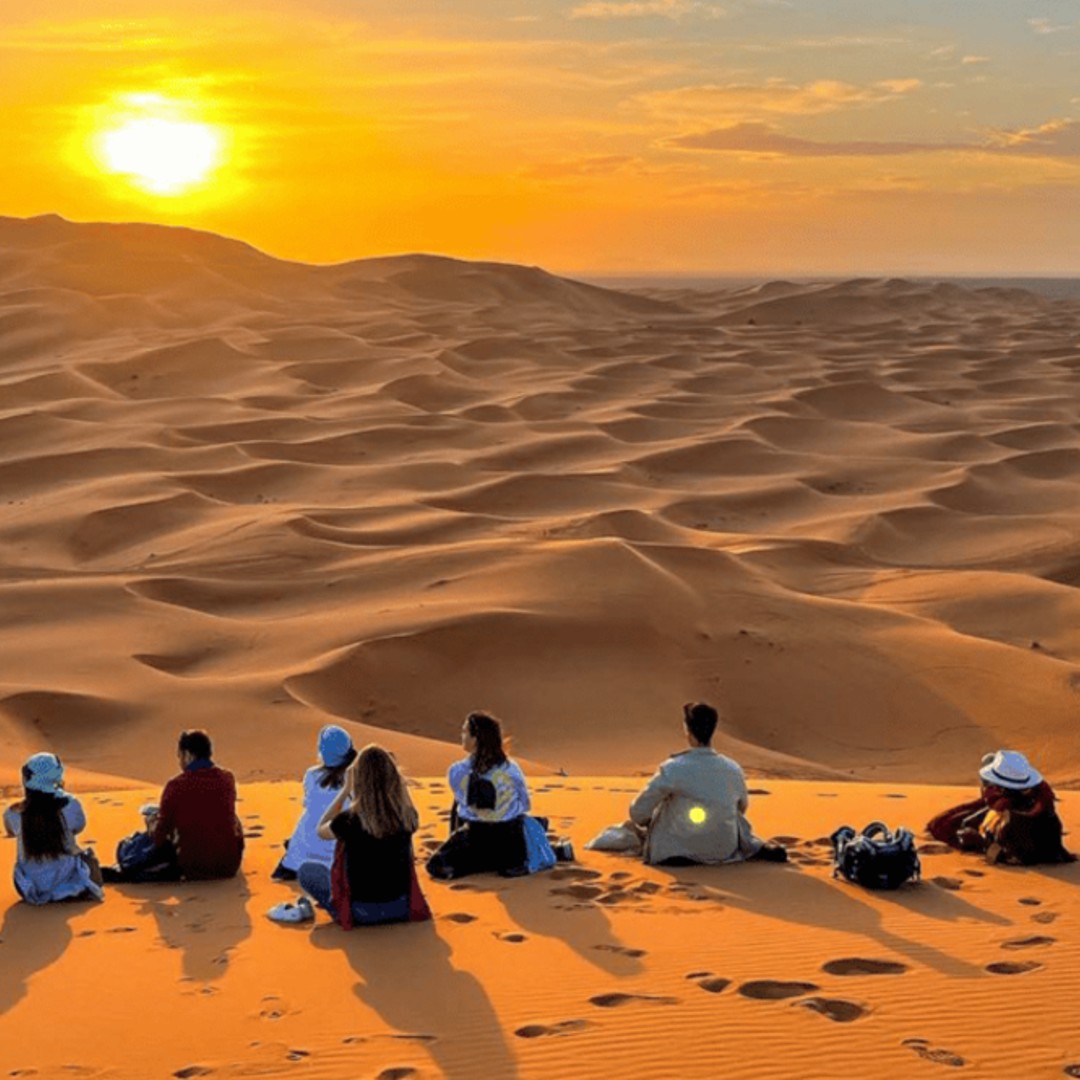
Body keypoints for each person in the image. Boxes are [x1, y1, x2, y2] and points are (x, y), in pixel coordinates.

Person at [285, 744, 428, 927]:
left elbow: (321, 829)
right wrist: (395, 778)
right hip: (401, 908)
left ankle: (338, 912)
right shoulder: (406, 818)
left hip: (361, 913)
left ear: (358, 780)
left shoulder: (349, 821)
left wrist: (345, 791)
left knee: (308, 871)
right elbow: (406, 805)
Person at [627, 702, 785, 866]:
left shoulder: (673, 767)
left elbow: (638, 812)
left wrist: (651, 822)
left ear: (687, 729)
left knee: (662, 808)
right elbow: (741, 808)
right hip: (724, 850)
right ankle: (756, 847)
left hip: (676, 852)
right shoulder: (732, 768)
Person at [426, 711, 558, 880]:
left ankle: (476, 862)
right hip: (512, 840)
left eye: (465, 732)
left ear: (475, 738)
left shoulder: (457, 771)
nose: (462, 736)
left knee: (437, 865)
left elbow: (462, 805)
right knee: (523, 828)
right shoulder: (511, 769)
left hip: (476, 836)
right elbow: (525, 804)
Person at [104, 729, 244, 882]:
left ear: (188, 755)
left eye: (180, 756)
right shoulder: (227, 779)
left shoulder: (176, 786)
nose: (180, 762)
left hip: (194, 866)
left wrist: (152, 824)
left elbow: (160, 837)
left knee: (131, 846)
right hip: (229, 864)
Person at [927, 750, 1076, 866]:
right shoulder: (1033, 799)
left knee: (950, 826)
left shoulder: (1021, 815)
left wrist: (980, 842)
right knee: (947, 823)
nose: (990, 788)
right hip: (1007, 824)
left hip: (1017, 845)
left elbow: (1019, 857)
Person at [3, 753, 104, 904]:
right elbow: (78, 827)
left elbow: (11, 831)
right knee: (89, 859)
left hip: (30, 887)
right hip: (70, 880)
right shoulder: (71, 805)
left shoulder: (12, 813)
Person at [272, 725, 356, 881]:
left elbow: (311, 805)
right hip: (337, 859)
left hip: (299, 856)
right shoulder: (356, 778)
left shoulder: (312, 775)